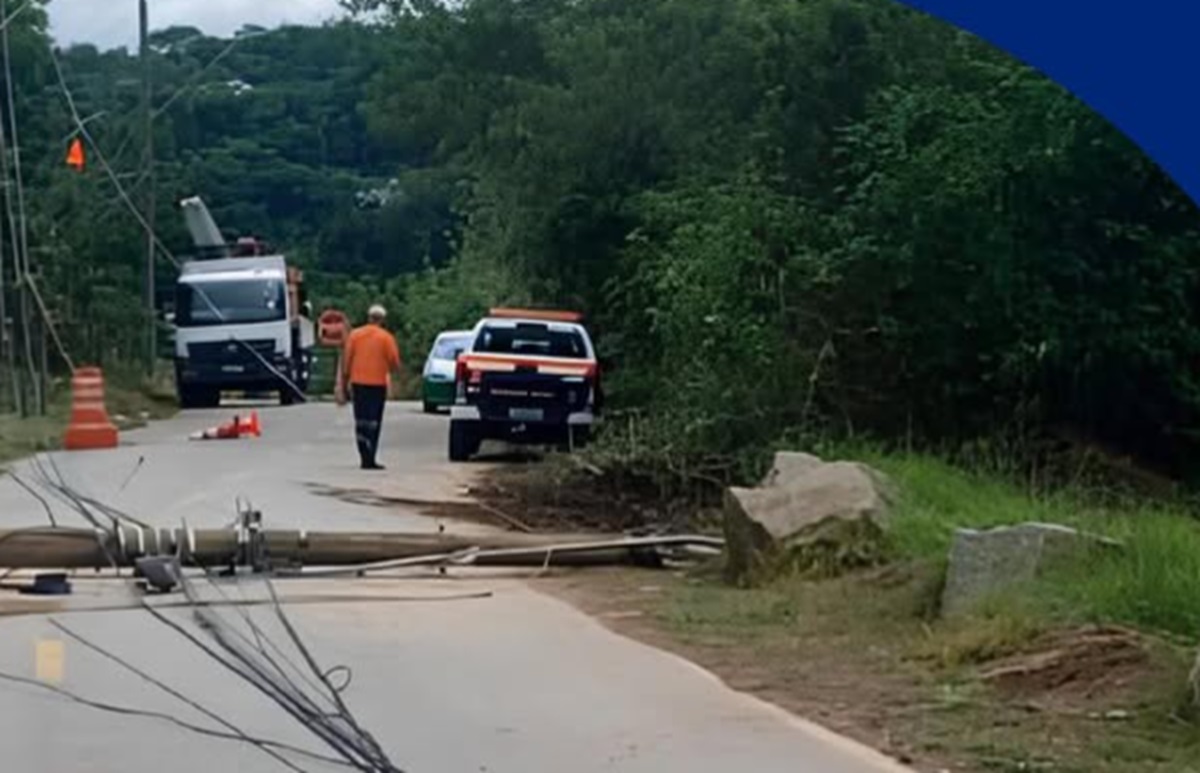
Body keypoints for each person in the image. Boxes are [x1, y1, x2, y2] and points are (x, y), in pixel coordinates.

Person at [337, 304, 402, 470]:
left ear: (368, 317)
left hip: (358, 382)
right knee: (374, 420)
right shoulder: (386, 338)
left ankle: (363, 454)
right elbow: (394, 361)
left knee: (360, 420)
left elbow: (346, 361)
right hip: (377, 384)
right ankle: (370, 455)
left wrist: (343, 384)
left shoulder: (355, 335)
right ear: (382, 320)